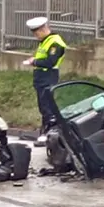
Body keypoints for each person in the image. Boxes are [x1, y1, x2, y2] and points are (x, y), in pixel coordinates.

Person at [22, 16, 67, 147]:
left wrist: (34, 62)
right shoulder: (45, 41)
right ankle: (45, 131)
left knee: (47, 106)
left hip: (48, 76)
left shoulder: (55, 42)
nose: (36, 36)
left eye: (37, 33)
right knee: (43, 106)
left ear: (43, 29)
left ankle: (50, 133)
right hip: (41, 77)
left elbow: (50, 61)